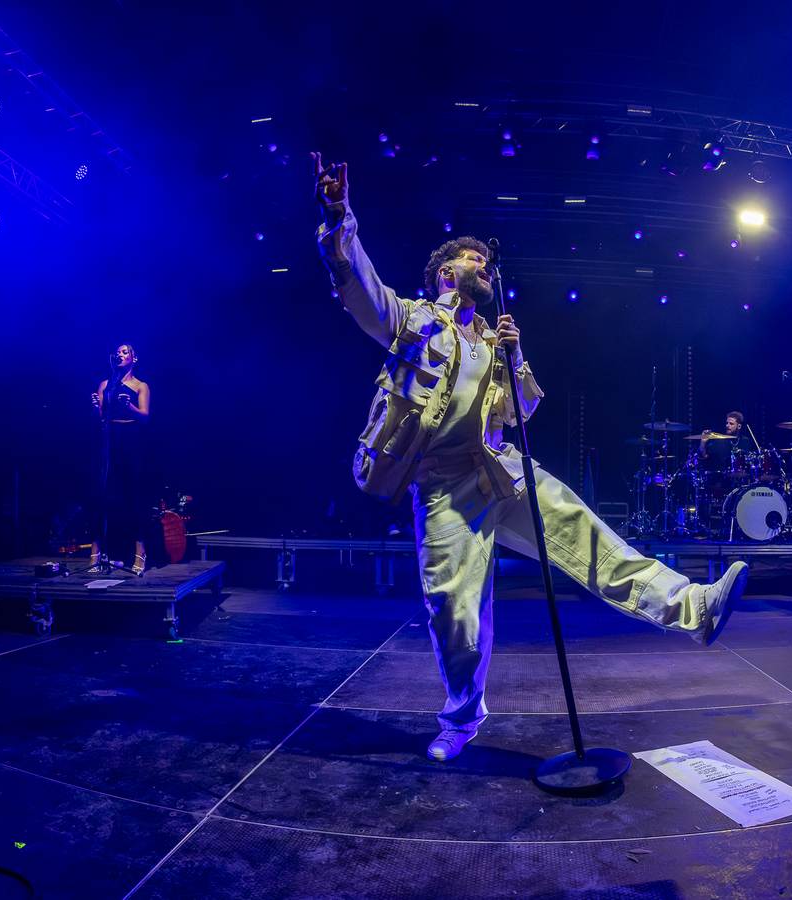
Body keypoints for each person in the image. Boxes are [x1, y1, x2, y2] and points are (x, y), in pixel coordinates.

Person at [312, 151, 747, 762]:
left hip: (503, 469)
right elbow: (361, 288)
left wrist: (514, 358)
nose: (485, 267)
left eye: (486, 262)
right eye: (474, 260)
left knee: (597, 546)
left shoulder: (497, 342)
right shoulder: (413, 322)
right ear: (446, 274)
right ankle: (463, 717)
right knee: (456, 614)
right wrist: (339, 216)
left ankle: (695, 608)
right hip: (444, 487)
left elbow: (523, 413)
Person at [90, 344, 151, 576]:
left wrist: (130, 407)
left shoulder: (140, 386)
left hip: (131, 438)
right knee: (102, 493)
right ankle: (97, 551)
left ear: (134, 358)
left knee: (134, 495)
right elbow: (101, 418)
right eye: (118, 352)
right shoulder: (106, 385)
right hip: (110, 438)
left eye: (125, 352)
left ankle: (140, 551)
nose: (120, 354)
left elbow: (145, 416)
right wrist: (95, 409)